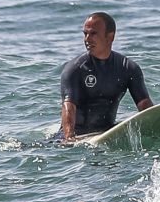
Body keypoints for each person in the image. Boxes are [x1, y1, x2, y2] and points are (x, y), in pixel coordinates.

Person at [58, 12, 153, 141]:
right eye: (85, 34)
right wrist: (69, 137)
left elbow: (144, 105)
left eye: (93, 34)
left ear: (110, 37)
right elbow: (68, 106)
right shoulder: (74, 69)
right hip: (78, 136)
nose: (87, 39)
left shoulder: (127, 68)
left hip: (108, 132)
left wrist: (157, 125)